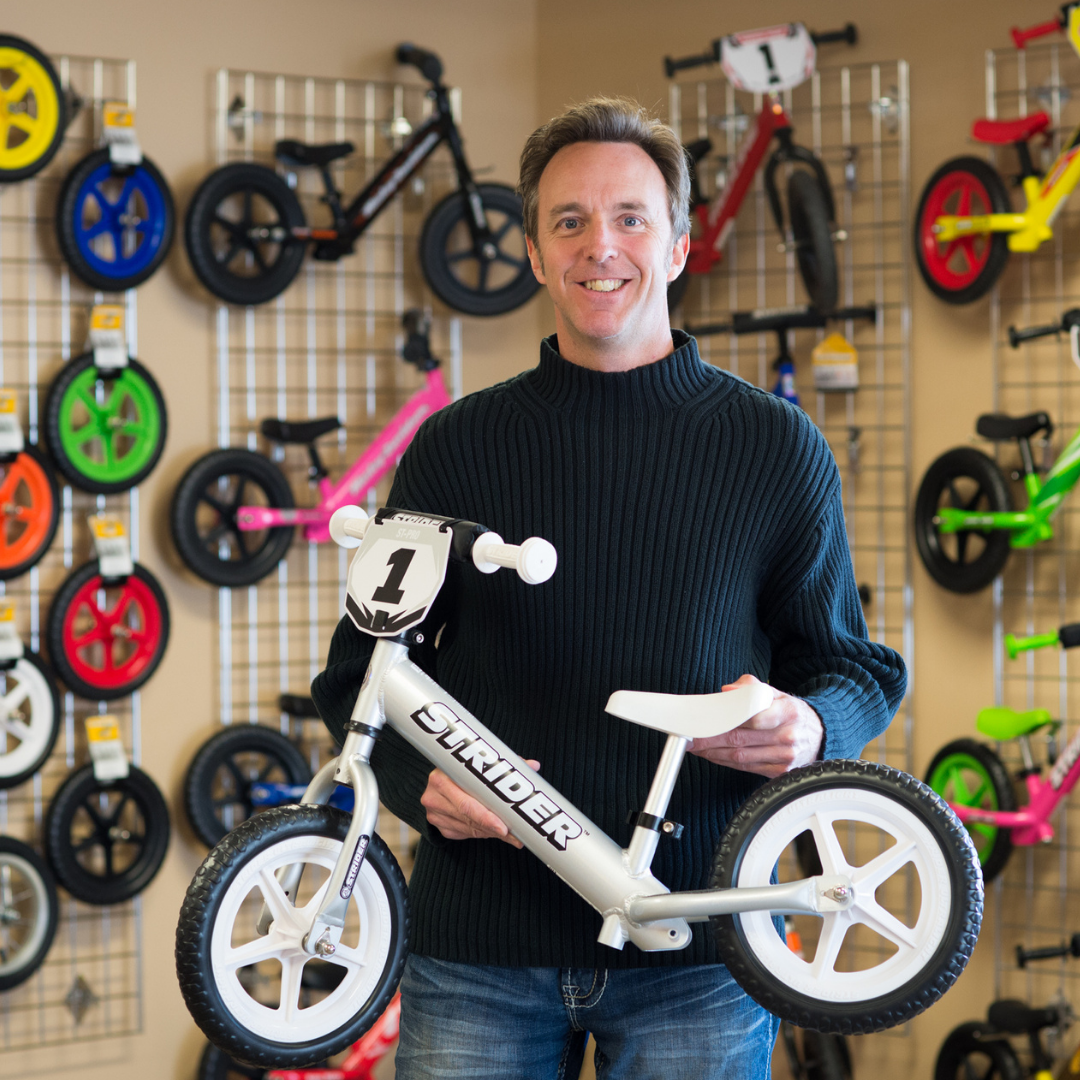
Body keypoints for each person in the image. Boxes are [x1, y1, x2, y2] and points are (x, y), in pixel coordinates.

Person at [311, 97, 906, 1080]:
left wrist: (811, 729)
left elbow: (850, 666)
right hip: (481, 942)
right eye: (569, 221)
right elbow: (358, 676)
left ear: (677, 246)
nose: (602, 247)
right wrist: (423, 792)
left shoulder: (775, 449)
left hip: (699, 944)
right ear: (537, 256)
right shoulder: (457, 447)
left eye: (631, 217)